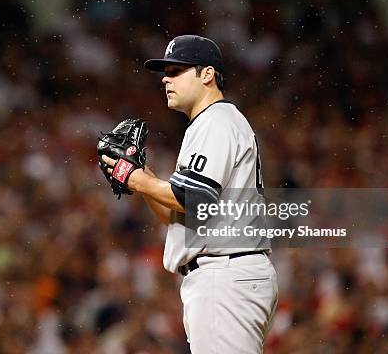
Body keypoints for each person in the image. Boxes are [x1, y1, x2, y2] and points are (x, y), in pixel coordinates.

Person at [101, 35, 278, 353]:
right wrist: (144, 179)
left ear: (207, 74)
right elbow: (180, 214)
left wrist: (135, 178)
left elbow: (191, 198)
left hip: (225, 275)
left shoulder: (216, 121)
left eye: (177, 70)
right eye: (165, 72)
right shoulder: (213, 123)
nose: (166, 79)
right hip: (226, 274)